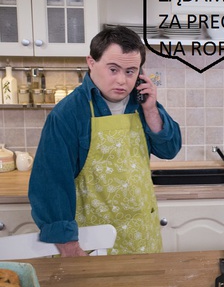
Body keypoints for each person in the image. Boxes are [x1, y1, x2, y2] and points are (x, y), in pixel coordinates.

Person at [29, 25, 182, 256]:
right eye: (113, 69)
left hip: (142, 236)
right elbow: (51, 184)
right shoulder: (67, 114)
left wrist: (151, 110)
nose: (122, 80)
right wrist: (69, 247)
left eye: (130, 71)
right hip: (92, 242)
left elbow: (170, 149)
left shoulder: (142, 103)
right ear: (91, 62)